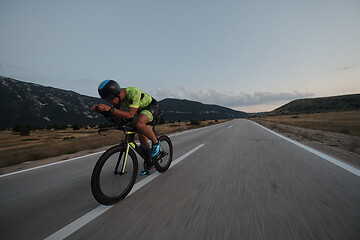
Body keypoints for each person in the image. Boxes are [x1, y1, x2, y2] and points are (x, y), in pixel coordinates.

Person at [92, 80, 160, 175]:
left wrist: (110, 109)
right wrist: (103, 112)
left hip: (151, 106)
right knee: (140, 135)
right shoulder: (117, 101)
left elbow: (129, 115)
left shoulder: (133, 92)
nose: (109, 101)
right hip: (139, 111)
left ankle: (156, 143)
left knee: (139, 123)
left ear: (116, 93)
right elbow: (117, 117)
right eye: (106, 100)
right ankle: (149, 161)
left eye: (110, 98)